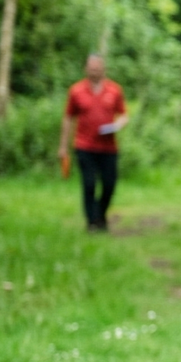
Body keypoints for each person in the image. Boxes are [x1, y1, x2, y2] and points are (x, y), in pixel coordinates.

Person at [58, 53, 128, 233]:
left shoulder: (114, 90)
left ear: (103, 69)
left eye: (97, 68)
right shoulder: (76, 91)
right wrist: (63, 146)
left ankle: (100, 215)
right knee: (88, 184)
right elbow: (68, 118)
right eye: (91, 68)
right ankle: (92, 222)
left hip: (108, 147)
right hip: (84, 146)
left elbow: (123, 115)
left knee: (109, 184)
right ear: (86, 69)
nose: (94, 71)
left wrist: (118, 124)